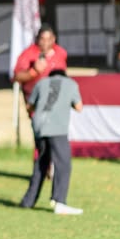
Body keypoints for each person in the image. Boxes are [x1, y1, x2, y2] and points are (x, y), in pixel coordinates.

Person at [19, 69, 83, 215]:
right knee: (63, 164)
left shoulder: (41, 83)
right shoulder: (70, 83)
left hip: (39, 126)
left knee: (41, 163)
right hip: (57, 127)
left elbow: (29, 106)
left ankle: (28, 201)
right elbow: (79, 107)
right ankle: (60, 201)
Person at [12, 23, 68, 102]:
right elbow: (17, 76)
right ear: (38, 39)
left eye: (49, 39)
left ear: (54, 39)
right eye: (43, 39)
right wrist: (34, 71)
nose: (46, 42)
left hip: (57, 94)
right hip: (36, 96)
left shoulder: (61, 52)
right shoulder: (28, 54)